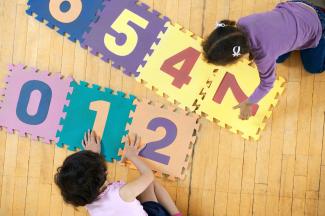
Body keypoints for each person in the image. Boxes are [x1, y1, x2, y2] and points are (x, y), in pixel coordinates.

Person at [202, 0, 325, 120]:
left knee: (313, 67)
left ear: (235, 58)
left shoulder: (263, 55)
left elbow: (267, 84)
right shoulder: (243, 22)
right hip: (296, 5)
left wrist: (249, 103)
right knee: (279, 58)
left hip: (319, 21)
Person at [55, 130, 182, 216]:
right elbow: (148, 175)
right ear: (105, 171)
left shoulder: (87, 202)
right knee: (150, 184)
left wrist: (91, 157)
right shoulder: (123, 193)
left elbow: (83, 179)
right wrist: (131, 155)